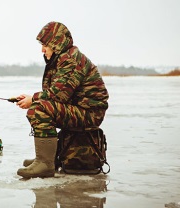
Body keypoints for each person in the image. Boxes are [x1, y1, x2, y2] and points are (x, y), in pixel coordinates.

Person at [15, 21, 109, 178]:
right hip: (81, 109)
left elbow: (60, 94)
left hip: (90, 113)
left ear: (55, 43)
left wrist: (34, 99)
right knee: (39, 106)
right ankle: (47, 158)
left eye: (45, 44)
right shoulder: (63, 58)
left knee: (38, 109)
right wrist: (34, 98)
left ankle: (45, 164)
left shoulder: (71, 60)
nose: (42, 50)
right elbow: (55, 93)